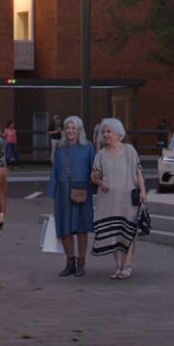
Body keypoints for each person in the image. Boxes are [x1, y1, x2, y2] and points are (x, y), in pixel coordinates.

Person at [88, 119, 147, 280]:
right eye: (104, 132)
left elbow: (138, 172)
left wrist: (143, 191)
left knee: (127, 232)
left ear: (118, 134)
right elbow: (94, 176)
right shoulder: (100, 154)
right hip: (108, 201)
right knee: (113, 233)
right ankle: (119, 266)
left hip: (128, 200)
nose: (105, 135)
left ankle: (127, 265)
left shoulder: (129, 150)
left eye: (109, 132)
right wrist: (99, 181)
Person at [46, 116, 94, 276]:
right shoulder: (60, 149)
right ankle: (70, 262)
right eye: (68, 128)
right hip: (62, 192)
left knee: (81, 228)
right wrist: (52, 193)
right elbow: (54, 172)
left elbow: (95, 169)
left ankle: (81, 262)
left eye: (73, 128)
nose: (70, 131)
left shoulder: (88, 147)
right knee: (64, 229)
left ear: (80, 130)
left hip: (82, 191)